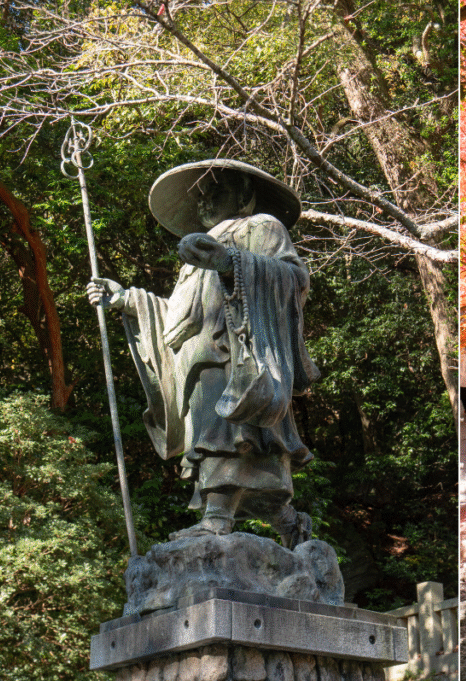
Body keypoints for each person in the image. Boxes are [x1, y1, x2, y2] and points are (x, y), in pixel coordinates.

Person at [87, 159, 319, 546]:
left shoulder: (261, 227)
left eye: (216, 190)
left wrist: (230, 263)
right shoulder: (196, 252)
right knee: (221, 440)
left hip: (234, 354)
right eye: (201, 195)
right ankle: (290, 524)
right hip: (197, 359)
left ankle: (217, 518)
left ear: (244, 196)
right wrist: (126, 299)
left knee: (234, 436)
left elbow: (294, 279)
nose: (205, 200)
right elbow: (181, 316)